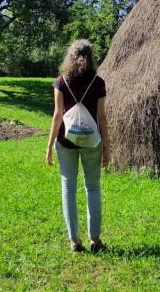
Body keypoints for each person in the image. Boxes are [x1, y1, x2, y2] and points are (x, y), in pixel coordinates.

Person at [46, 39, 110, 252]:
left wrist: (48, 148)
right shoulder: (98, 83)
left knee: (68, 188)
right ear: (91, 58)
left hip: (65, 141)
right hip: (92, 142)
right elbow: (101, 117)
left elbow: (57, 116)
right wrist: (107, 148)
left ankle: (74, 241)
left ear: (70, 58)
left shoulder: (61, 82)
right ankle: (96, 240)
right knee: (92, 187)